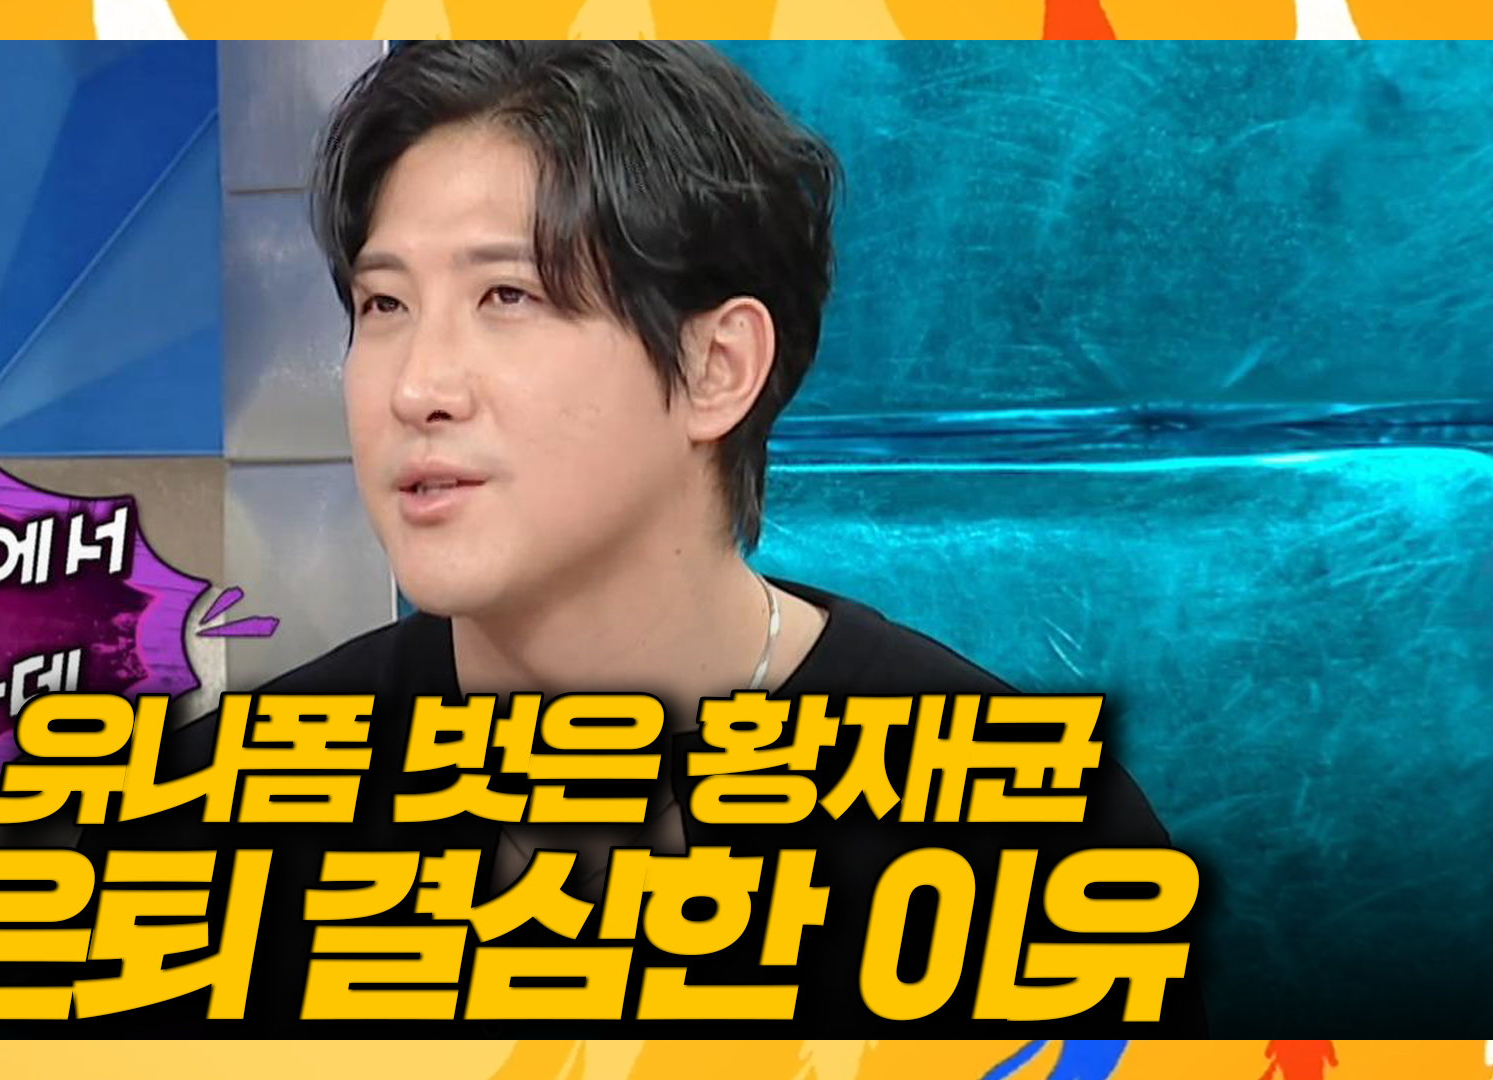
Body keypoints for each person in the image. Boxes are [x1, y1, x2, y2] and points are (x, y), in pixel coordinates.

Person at [74, 41, 1204, 1035]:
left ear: (717, 368)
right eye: (385, 306)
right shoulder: (194, 838)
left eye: (508, 297)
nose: (416, 387)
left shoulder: (1030, 850)